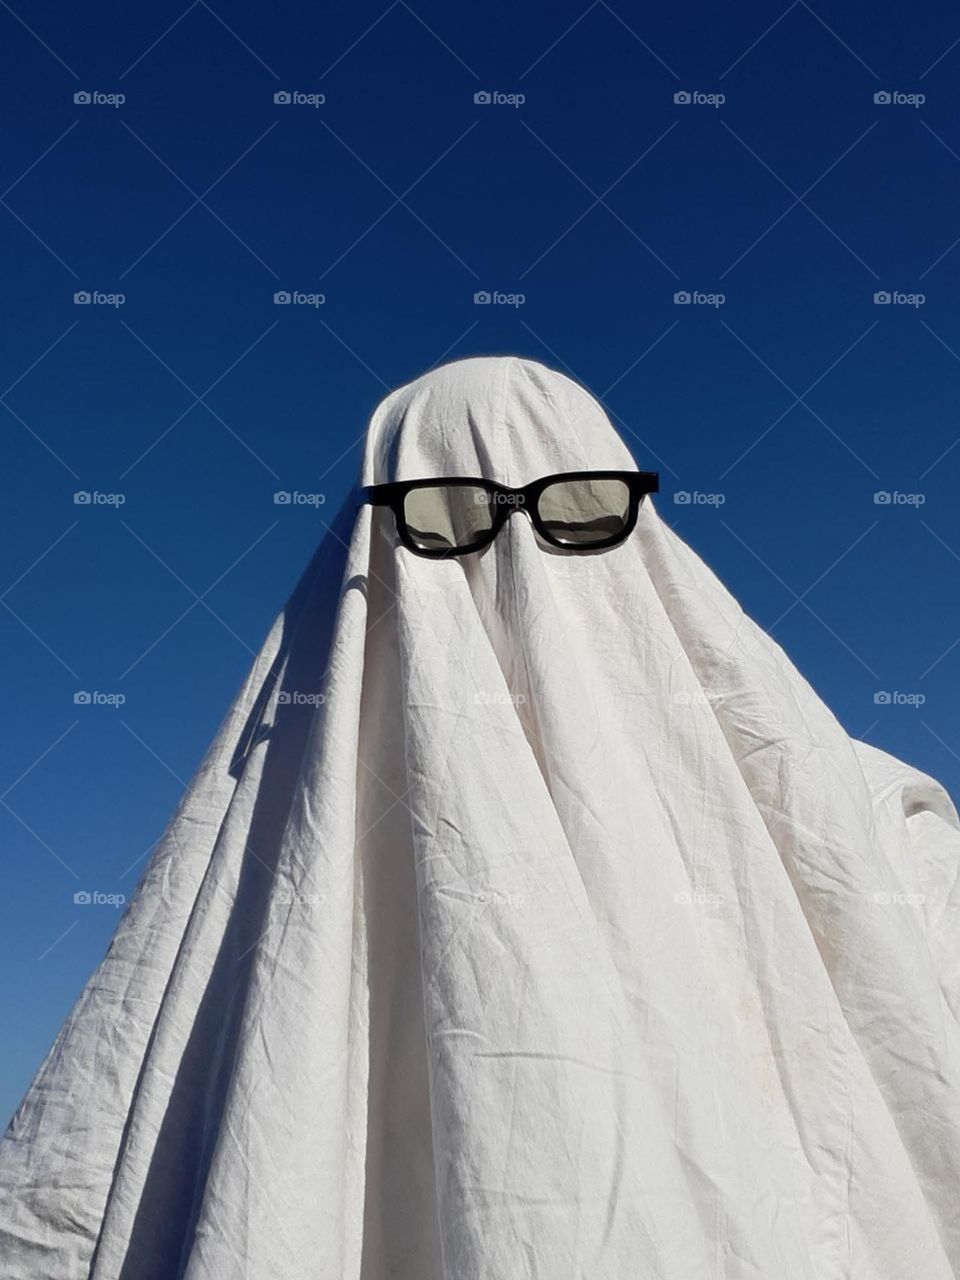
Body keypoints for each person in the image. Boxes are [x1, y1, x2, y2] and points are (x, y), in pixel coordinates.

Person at [2, 356, 959, 1279]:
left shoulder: (873, 824)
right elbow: (79, 1178)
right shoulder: (252, 869)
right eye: (446, 516)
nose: (516, 557)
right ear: (375, 542)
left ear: (639, 514)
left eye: (582, 507)